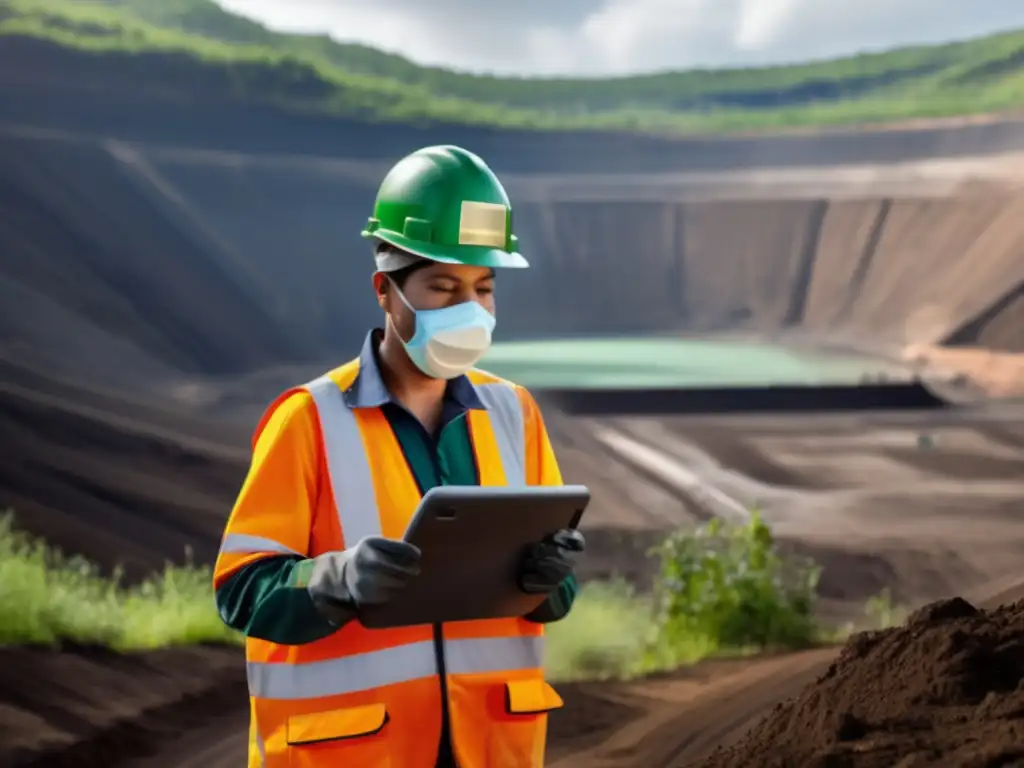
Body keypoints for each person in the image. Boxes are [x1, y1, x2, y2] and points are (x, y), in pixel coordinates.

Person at [213, 144, 586, 768]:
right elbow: (240, 590)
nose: (469, 309)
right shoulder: (308, 421)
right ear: (386, 290)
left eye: (484, 287)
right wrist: (337, 581)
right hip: (353, 751)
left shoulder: (514, 414)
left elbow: (554, 596)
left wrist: (550, 580)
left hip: (490, 748)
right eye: (444, 286)